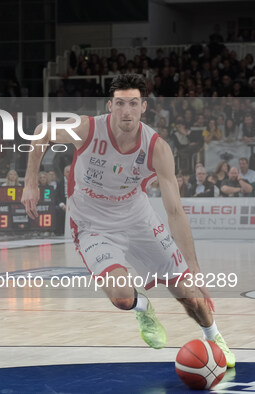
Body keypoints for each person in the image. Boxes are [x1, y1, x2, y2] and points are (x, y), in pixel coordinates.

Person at [21, 74, 235, 367]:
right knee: (122, 296)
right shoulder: (87, 129)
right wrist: (30, 182)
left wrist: (194, 267)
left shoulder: (156, 147)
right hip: (91, 224)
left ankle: (214, 337)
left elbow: (175, 212)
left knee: (189, 294)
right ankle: (142, 306)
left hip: (137, 218)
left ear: (143, 107)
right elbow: (41, 131)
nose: (126, 111)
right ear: (110, 106)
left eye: (133, 103)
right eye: (120, 103)